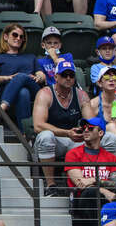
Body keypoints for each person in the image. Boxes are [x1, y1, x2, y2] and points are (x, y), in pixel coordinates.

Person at [34, 61, 97, 194]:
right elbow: (38, 125)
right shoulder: (45, 93)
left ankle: (81, 187)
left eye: (71, 75)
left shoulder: (81, 95)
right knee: (46, 136)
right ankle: (50, 185)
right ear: (56, 77)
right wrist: (66, 133)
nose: (68, 78)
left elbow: (92, 123)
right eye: (64, 75)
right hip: (55, 138)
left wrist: (84, 132)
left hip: (73, 138)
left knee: (103, 137)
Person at [64, 116, 116, 226]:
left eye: (90, 128)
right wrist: (103, 189)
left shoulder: (111, 158)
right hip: (82, 199)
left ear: (100, 133)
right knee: (91, 193)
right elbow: (80, 184)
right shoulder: (73, 154)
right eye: (84, 128)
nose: (86, 131)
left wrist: (95, 180)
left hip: (106, 200)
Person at [0, 25, 44, 124]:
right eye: (15, 35)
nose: (18, 38)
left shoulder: (31, 57)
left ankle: (0, 110)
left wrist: (38, 77)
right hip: (8, 91)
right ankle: (25, 133)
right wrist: (7, 78)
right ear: (6, 37)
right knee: (23, 92)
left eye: (21, 37)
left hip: (34, 89)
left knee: (21, 76)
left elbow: (42, 75)